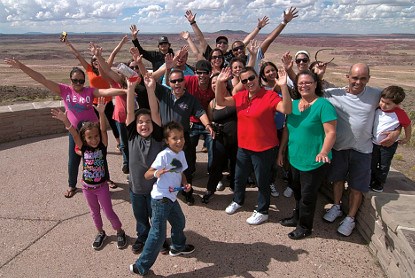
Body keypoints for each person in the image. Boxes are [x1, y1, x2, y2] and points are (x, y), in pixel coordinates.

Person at [4, 58, 126, 198]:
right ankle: (72, 185)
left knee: (100, 156)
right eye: (75, 81)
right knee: (73, 158)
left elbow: (106, 92)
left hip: (92, 130)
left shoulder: (89, 91)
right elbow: (42, 79)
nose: (78, 84)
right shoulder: (64, 90)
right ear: (70, 80)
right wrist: (21, 66)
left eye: (81, 81)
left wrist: (125, 91)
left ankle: (105, 179)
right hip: (74, 131)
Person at [322, 63, 400, 236]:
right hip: (340, 147)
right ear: (347, 77)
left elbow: (395, 109)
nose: (358, 82)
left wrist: (396, 132)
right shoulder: (334, 94)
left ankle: (350, 218)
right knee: (338, 180)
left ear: (368, 79)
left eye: (363, 78)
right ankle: (336, 207)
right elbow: (308, 91)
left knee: (357, 187)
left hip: (363, 150)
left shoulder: (375, 94)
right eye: (355, 77)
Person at [215, 66, 292, 225]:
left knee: (262, 181)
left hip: (264, 148)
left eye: (251, 78)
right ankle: (238, 200)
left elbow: (287, 109)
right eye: (244, 80)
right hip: (244, 147)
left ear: (257, 77)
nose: (249, 82)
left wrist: (283, 86)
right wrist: (220, 83)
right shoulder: (241, 96)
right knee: (239, 177)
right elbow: (220, 101)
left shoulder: (269, 96)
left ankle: (263, 211)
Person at [51, 98, 127, 250]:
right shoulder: (83, 148)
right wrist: (66, 121)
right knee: (94, 213)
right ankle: (100, 232)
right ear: (84, 139)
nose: (94, 139)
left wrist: (100, 113)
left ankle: (119, 231)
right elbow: (73, 133)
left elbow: (104, 130)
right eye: (90, 137)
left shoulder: (102, 147)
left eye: (96, 136)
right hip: (87, 188)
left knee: (108, 211)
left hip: (101, 187)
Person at [129, 121, 195, 276]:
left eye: (181, 137)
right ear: (167, 141)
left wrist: (185, 184)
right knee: (158, 234)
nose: (179, 141)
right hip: (161, 199)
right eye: (174, 138)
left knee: (179, 222)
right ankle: (141, 265)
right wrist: (156, 173)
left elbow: (181, 172)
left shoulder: (181, 154)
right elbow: (147, 174)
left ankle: (177, 246)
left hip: (171, 197)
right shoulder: (164, 155)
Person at [277, 70, 337, 239]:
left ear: (316, 84)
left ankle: (305, 227)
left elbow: (331, 133)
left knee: (307, 197)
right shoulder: (293, 105)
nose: (304, 86)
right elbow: (287, 130)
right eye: (300, 83)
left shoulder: (324, 106)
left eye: (308, 82)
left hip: (314, 161)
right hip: (295, 159)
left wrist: (324, 151)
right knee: (297, 192)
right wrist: (281, 151)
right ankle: (296, 217)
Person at [202, 72, 237, 203]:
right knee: (216, 166)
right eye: (213, 83)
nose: (215, 84)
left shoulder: (234, 97)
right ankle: (210, 190)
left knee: (236, 166)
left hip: (236, 139)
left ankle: (236, 190)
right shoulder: (212, 103)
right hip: (220, 139)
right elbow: (210, 120)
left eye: (219, 81)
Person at [371, 85, 411, 192]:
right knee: (372, 162)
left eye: (388, 104)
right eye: (382, 101)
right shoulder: (377, 109)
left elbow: (407, 125)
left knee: (384, 164)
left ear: (397, 104)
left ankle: (379, 183)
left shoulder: (399, 113)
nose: (383, 105)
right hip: (374, 143)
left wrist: (407, 138)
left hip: (389, 145)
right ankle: (371, 179)